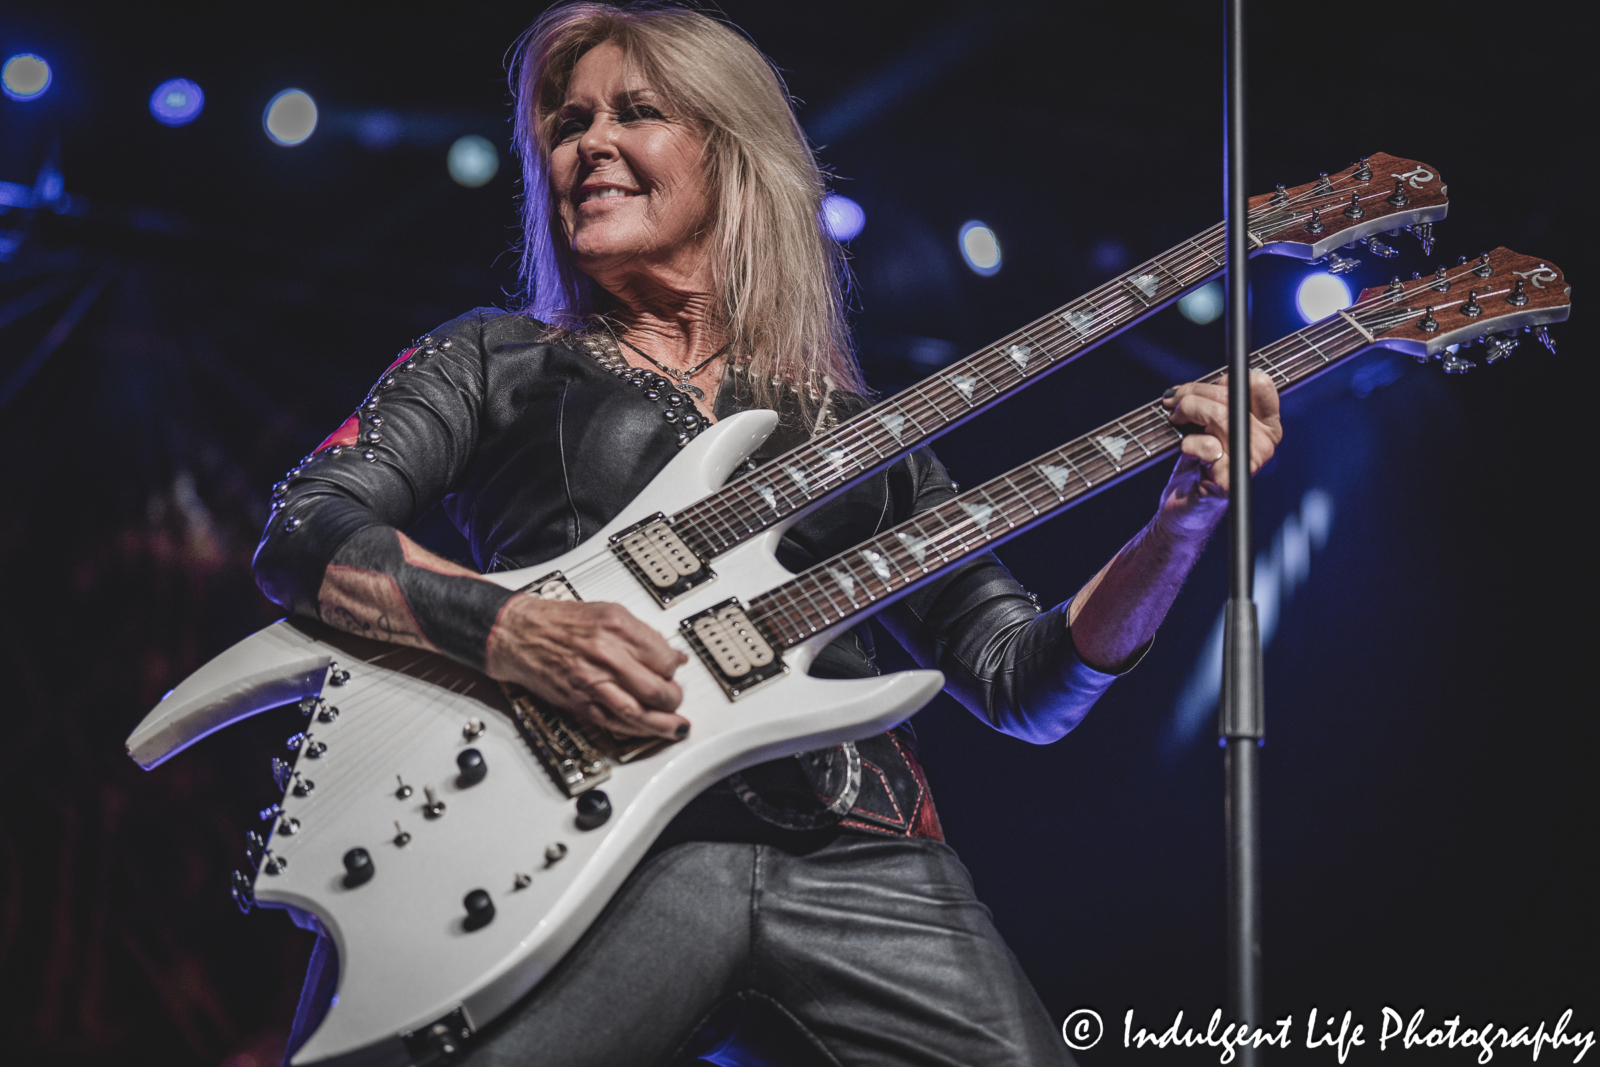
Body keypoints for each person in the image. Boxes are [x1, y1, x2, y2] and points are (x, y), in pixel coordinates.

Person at [254, 4, 1282, 1064]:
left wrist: (1179, 522)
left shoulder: (860, 434)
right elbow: (307, 530)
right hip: (597, 836)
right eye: (567, 125)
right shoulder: (491, 360)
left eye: (636, 113)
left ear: (728, 153)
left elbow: (1024, 680)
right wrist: (508, 627)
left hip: (862, 856)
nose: (588, 144)